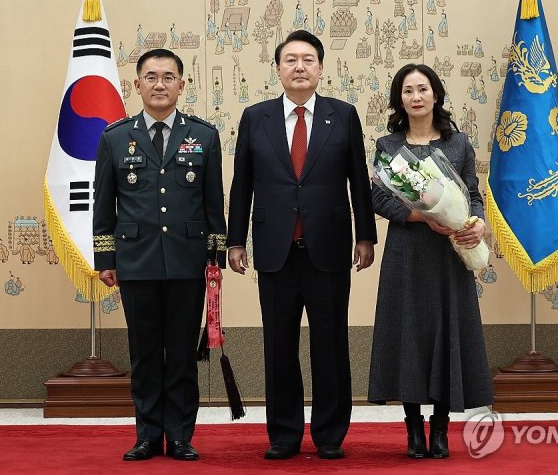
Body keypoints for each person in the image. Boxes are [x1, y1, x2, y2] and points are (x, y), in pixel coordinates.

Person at [227, 30, 377, 461]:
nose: (299, 67)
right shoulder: (257, 117)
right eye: (290, 60)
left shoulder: (343, 115)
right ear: (277, 69)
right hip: (274, 250)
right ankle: (284, 436)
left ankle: (330, 435)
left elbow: (358, 181)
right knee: (279, 348)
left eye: (307, 60)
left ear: (321, 68)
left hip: (328, 250)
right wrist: (236, 241)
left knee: (331, 346)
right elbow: (242, 186)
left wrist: (365, 234)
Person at [93, 49, 225, 462]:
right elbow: (104, 205)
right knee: (145, 353)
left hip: (187, 261)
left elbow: (213, 204)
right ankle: (148, 435)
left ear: (182, 85)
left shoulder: (203, 135)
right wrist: (105, 259)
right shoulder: (115, 137)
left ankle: (181, 434)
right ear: (137, 85)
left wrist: (215, 258)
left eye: (169, 77)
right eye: (150, 77)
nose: (159, 84)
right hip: (136, 261)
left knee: (182, 354)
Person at [368, 63, 492, 460]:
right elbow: (378, 197)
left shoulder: (458, 144)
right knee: (409, 334)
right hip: (405, 253)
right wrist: (424, 216)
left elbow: (473, 194)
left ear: (436, 94)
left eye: (423, 89)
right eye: (408, 91)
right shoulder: (387, 147)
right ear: (399, 99)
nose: (416, 97)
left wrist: (476, 224)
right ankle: (412, 432)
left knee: (445, 331)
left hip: (447, 255)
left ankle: (440, 429)